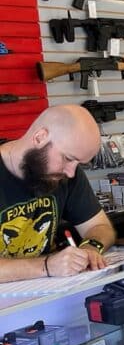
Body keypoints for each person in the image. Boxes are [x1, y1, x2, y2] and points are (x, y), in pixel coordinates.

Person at [0, 105, 116, 283]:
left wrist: (90, 248)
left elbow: (100, 226)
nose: (70, 172)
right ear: (40, 138)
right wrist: (46, 266)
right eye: (68, 158)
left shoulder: (66, 175)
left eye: (79, 163)